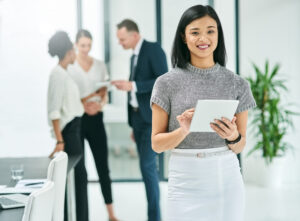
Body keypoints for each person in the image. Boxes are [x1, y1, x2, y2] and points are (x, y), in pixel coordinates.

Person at [151, 5, 256, 221]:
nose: (203, 38)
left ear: (218, 34)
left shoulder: (237, 84)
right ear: (183, 36)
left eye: (210, 31)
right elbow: (157, 144)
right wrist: (183, 130)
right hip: (184, 180)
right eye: (195, 32)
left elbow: (240, 145)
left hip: (225, 176)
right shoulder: (165, 83)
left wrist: (232, 135)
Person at [111, 19, 168, 221]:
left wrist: (133, 86)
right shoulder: (133, 56)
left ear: (134, 35)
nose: (120, 43)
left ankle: (155, 218)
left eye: (122, 39)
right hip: (138, 120)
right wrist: (132, 125)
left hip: (151, 120)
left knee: (147, 167)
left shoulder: (152, 49)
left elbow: (164, 82)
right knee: (146, 169)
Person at [68, 29, 119, 221]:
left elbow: (105, 92)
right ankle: (82, 216)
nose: (85, 49)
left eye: (88, 45)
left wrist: (100, 105)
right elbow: (70, 98)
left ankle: (111, 214)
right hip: (77, 121)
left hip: (96, 119)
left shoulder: (99, 65)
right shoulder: (70, 67)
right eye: (82, 45)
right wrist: (84, 105)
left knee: (103, 167)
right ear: (75, 45)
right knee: (80, 170)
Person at [47, 31, 89, 221]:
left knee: (77, 178)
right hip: (69, 132)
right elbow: (54, 111)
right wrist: (59, 140)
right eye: (73, 48)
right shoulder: (57, 74)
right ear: (68, 51)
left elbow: (70, 103)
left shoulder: (64, 72)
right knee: (77, 178)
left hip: (75, 128)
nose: (75, 53)